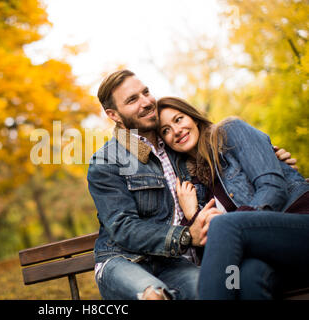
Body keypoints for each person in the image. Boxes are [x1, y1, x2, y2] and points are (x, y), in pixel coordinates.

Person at [87, 70, 296, 300]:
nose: (146, 102)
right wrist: (186, 235)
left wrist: (268, 155)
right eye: (132, 99)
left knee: (216, 288)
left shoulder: (178, 148)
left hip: (175, 262)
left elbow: (225, 166)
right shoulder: (106, 160)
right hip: (125, 260)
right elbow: (124, 227)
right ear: (113, 114)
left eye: (145, 92)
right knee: (154, 296)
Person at [156, 96, 309, 299]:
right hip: (275, 259)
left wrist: (235, 223)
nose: (176, 131)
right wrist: (193, 215)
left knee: (223, 225)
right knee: (246, 277)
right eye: (165, 130)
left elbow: (272, 188)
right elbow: (213, 254)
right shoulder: (191, 187)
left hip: (299, 226)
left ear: (193, 117)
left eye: (178, 119)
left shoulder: (230, 131)